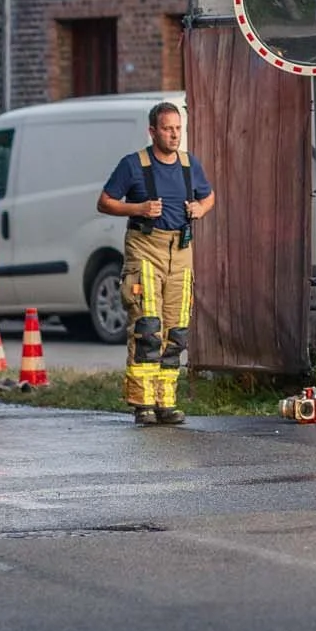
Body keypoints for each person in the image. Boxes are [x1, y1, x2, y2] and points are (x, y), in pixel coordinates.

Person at [96, 102, 215, 426]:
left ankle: (166, 402)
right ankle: (142, 403)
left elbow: (209, 196)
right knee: (148, 327)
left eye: (178, 128)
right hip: (146, 249)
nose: (174, 134)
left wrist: (201, 209)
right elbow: (105, 202)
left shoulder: (190, 165)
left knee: (176, 330)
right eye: (167, 128)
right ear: (152, 131)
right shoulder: (133, 165)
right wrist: (138, 208)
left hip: (181, 250)